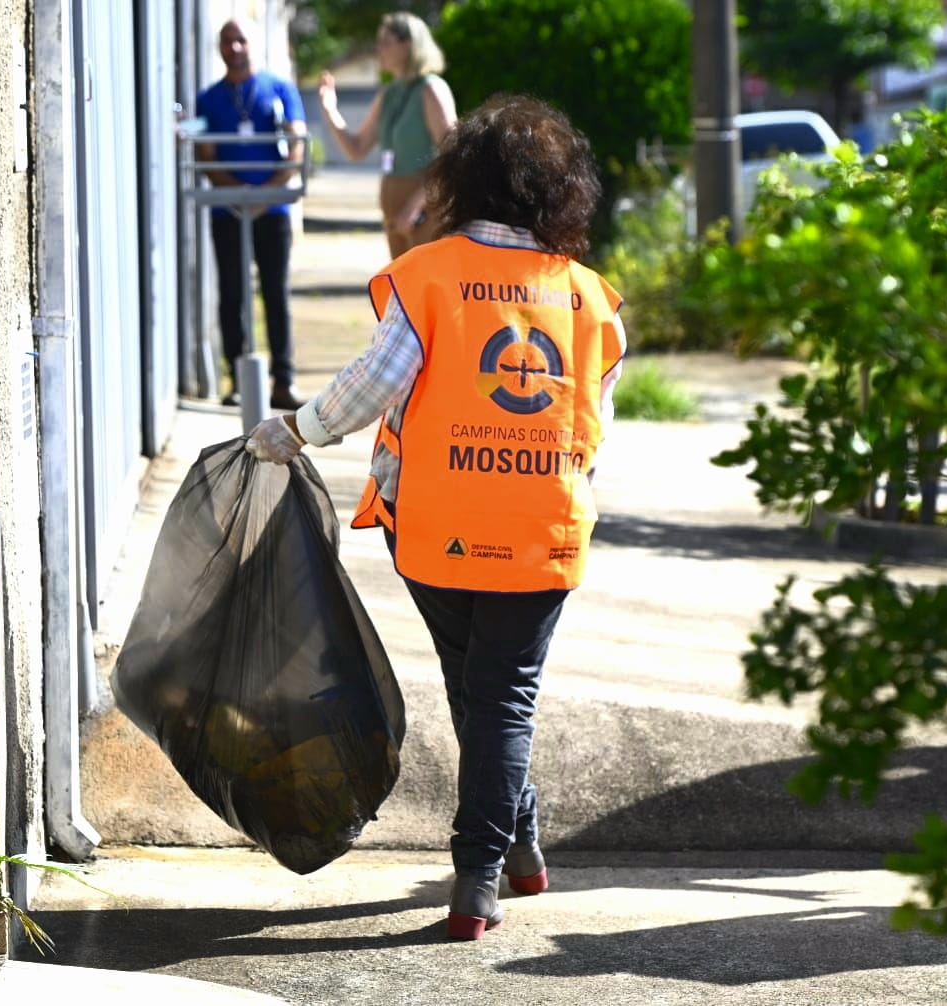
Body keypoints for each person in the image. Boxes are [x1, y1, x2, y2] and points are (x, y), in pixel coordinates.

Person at [245, 95, 626, 941]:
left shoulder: (429, 277)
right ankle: (495, 865)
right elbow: (596, 425)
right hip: (542, 534)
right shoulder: (590, 300)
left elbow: (372, 386)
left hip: (437, 532)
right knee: (501, 699)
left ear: (463, 182)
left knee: (484, 696)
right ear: (559, 195)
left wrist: (294, 433)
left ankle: (492, 864)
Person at [196, 18, 309, 409]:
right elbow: (205, 155)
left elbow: (296, 144)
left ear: (251, 44)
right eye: (228, 41)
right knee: (232, 294)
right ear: (220, 48)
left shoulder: (279, 89)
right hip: (228, 211)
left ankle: (284, 381)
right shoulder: (209, 98)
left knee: (275, 293)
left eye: (241, 40)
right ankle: (238, 381)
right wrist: (238, 194)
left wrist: (264, 194)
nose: (235, 48)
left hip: (271, 208)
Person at [317, 12, 457, 259]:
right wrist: (330, 110)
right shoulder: (389, 92)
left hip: (424, 213)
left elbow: (452, 157)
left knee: (424, 292)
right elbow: (357, 149)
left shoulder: (431, 89)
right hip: (396, 215)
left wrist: (414, 207)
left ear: (408, 45)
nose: (378, 48)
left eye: (386, 41)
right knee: (401, 294)